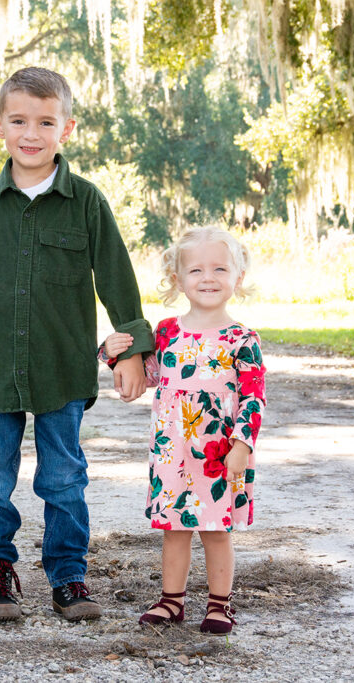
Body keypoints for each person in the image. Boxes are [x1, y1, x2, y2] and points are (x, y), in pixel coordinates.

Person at [0, 66, 154, 622]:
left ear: (67, 128)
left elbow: (116, 278)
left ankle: (69, 574)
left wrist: (131, 350)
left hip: (62, 367)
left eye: (45, 121)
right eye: (18, 120)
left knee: (63, 476)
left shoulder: (86, 201)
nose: (30, 133)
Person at [100, 226, 266, 634]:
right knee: (174, 530)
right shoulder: (167, 332)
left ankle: (219, 605)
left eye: (219, 269)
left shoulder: (241, 338)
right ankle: (171, 602)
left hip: (220, 453)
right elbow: (148, 377)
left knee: (215, 530)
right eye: (195, 270)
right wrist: (111, 353)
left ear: (237, 277)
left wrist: (242, 445)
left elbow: (254, 397)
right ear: (178, 279)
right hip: (172, 451)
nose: (207, 278)